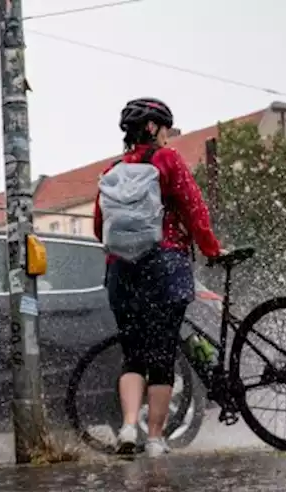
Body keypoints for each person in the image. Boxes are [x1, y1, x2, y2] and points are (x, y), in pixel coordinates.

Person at [92, 98, 221, 456]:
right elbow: (193, 208)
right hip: (165, 264)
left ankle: (129, 427)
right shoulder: (168, 160)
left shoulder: (111, 170)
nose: (167, 136)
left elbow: (99, 227)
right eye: (165, 128)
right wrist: (211, 249)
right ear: (152, 128)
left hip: (121, 269)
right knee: (162, 355)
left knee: (133, 355)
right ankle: (155, 439)